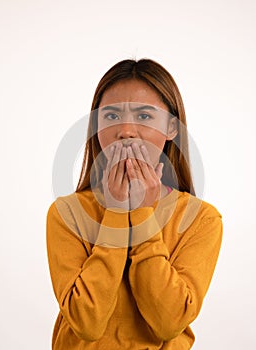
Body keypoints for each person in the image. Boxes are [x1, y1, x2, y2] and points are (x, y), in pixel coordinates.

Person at [46, 58, 223, 349]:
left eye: (144, 116)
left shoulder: (201, 218)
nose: (126, 131)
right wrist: (116, 211)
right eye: (112, 117)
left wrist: (141, 214)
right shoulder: (67, 214)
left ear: (172, 129)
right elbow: (86, 323)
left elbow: (168, 322)